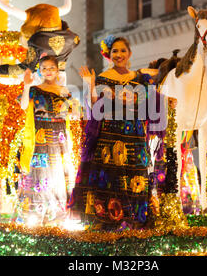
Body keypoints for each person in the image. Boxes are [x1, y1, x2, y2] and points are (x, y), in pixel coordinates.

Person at [68, 35, 166, 230]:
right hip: (110, 135)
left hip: (136, 137)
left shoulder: (140, 79)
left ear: (129, 53)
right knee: (110, 179)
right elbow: (94, 107)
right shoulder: (103, 79)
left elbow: (152, 104)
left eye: (123, 50)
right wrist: (89, 83)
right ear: (109, 55)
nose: (119, 54)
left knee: (135, 177)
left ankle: (135, 224)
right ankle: (107, 225)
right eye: (115, 51)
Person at [15, 55, 75, 225]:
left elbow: (74, 112)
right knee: (39, 174)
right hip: (41, 137)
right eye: (44, 68)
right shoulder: (34, 89)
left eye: (51, 68)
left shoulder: (64, 91)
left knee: (58, 174)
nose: (48, 71)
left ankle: (58, 216)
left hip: (60, 138)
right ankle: (34, 216)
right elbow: (24, 106)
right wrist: (26, 85)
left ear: (57, 70)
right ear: (40, 71)